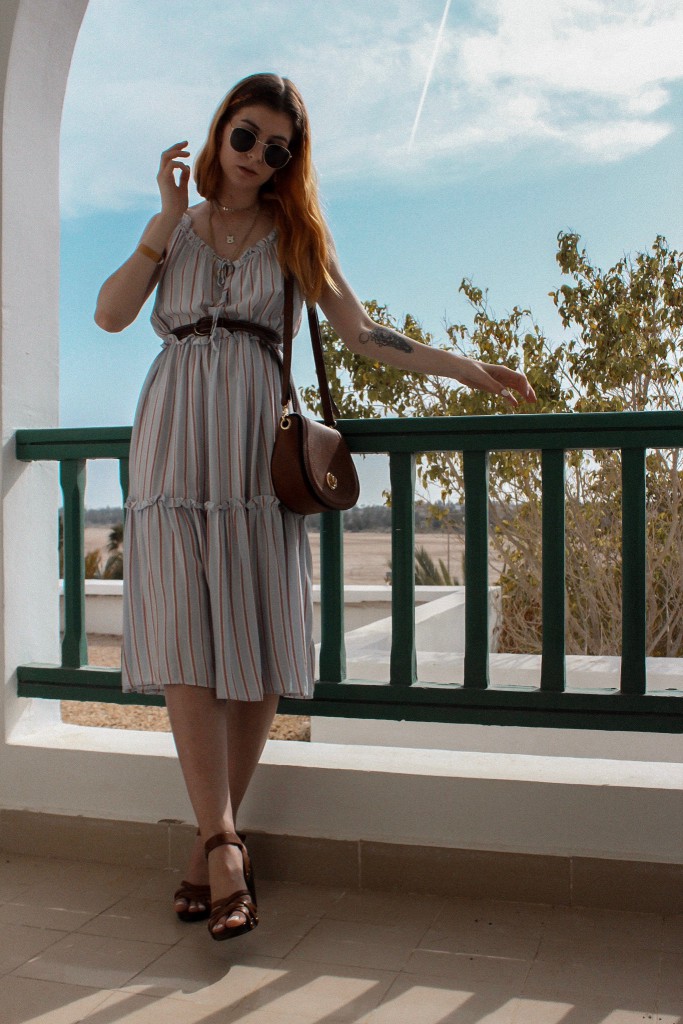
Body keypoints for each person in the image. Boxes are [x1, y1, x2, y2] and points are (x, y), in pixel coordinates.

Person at [95, 72, 536, 942]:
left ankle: (212, 848)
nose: (261, 156)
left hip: (259, 456)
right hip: (172, 449)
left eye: (279, 148)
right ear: (220, 130)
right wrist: (159, 219)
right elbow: (111, 316)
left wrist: (464, 367)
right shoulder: (174, 232)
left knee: (255, 638)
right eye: (248, 136)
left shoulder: (294, 234)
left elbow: (365, 335)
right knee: (185, 642)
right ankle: (224, 844)